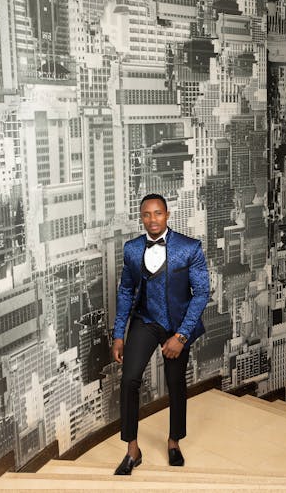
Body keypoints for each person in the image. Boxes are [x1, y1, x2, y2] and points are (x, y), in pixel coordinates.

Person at [111, 193, 210, 475]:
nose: (152, 219)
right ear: (141, 217)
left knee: (176, 383)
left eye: (157, 213)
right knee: (129, 379)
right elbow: (126, 292)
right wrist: (119, 335)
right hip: (146, 320)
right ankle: (132, 450)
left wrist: (181, 336)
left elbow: (202, 292)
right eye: (146, 214)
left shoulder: (189, 248)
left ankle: (174, 442)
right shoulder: (132, 249)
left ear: (167, 215)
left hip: (178, 325)